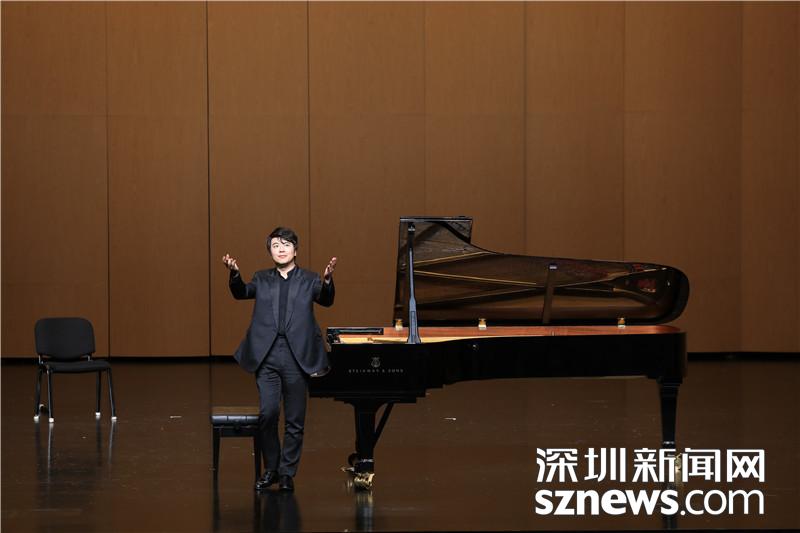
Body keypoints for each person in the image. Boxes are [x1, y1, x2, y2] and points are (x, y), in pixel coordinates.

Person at [223, 227, 336, 492]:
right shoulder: (261, 278)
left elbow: (326, 300)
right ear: (270, 252)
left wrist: (328, 280)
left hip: (297, 356)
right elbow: (242, 292)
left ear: (295, 250)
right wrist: (234, 273)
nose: (281, 249)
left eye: (286, 244)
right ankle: (271, 469)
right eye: (275, 245)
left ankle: (287, 473)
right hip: (268, 355)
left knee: (295, 419)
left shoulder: (309, 279)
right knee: (268, 413)